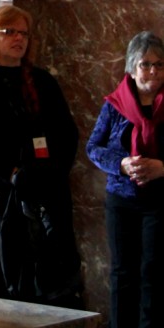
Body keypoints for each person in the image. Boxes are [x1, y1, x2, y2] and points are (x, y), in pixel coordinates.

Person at [0, 4, 81, 306]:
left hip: (42, 184)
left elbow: (66, 132)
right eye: (9, 31)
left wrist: (53, 172)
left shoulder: (41, 80)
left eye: (23, 33)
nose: (18, 38)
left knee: (48, 272)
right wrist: (11, 173)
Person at [86, 31, 164, 328]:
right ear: (132, 68)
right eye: (145, 64)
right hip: (121, 200)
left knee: (153, 272)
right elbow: (93, 147)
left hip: (159, 201)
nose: (153, 71)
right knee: (122, 272)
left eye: (159, 64)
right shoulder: (115, 105)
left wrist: (161, 168)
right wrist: (120, 164)